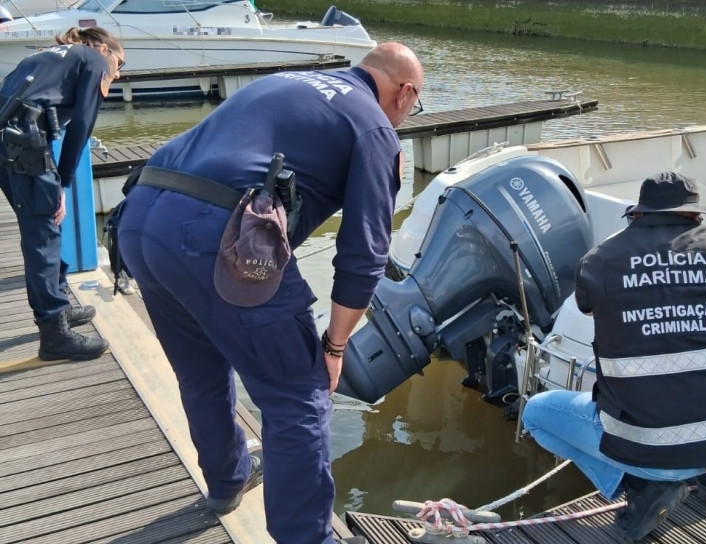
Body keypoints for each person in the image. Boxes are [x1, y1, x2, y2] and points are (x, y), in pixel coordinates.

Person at [117, 43, 423, 544]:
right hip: (215, 233)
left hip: (142, 217)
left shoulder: (287, 80)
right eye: (414, 105)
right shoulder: (374, 125)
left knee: (200, 371)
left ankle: (226, 482)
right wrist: (335, 347)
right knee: (298, 396)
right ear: (405, 92)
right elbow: (364, 253)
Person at [522, 172, 706, 541]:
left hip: (645, 448)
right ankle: (704, 473)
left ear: (637, 215)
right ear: (696, 216)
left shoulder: (601, 261)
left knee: (537, 414)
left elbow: (587, 308)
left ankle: (641, 487)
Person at [0, 27, 123, 361]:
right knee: (43, 235)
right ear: (102, 49)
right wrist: (63, 185)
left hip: (8, 143)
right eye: (119, 62)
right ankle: (54, 334)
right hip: (26, 148)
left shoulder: (41, 55)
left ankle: (59, 303)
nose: (118, 72)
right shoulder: (94, 60)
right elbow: (82, 124)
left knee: (44, 230)